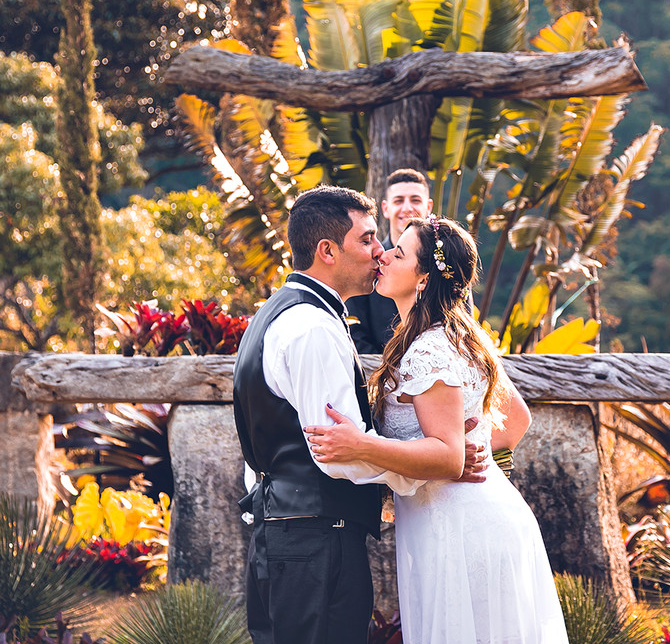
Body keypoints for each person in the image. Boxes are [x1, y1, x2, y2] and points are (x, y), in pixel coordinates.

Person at [233, 187, 487, 644]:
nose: (379, 251)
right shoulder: (312, 328)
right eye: (367, 239)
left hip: (290, 532)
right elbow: (339, 454)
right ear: (327, 251)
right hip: (316, 541)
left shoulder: (279, 313)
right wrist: (430, 469)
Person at [305, 215, 567, 644]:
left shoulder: (431, 348)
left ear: (423, 278)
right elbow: (514, 420)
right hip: (453, 518)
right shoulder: (453, 336)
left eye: (399, 252)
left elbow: (448, 456)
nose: (384, 255)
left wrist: (365, 446)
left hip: (462, 528)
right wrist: (457, 451)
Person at [347, 168, 433, 354]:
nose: (407, 208)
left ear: (429, 207)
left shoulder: (444, 263)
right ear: (386, 208)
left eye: (416, 200)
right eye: (399, 200)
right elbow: (355, 331)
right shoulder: (365, 261)